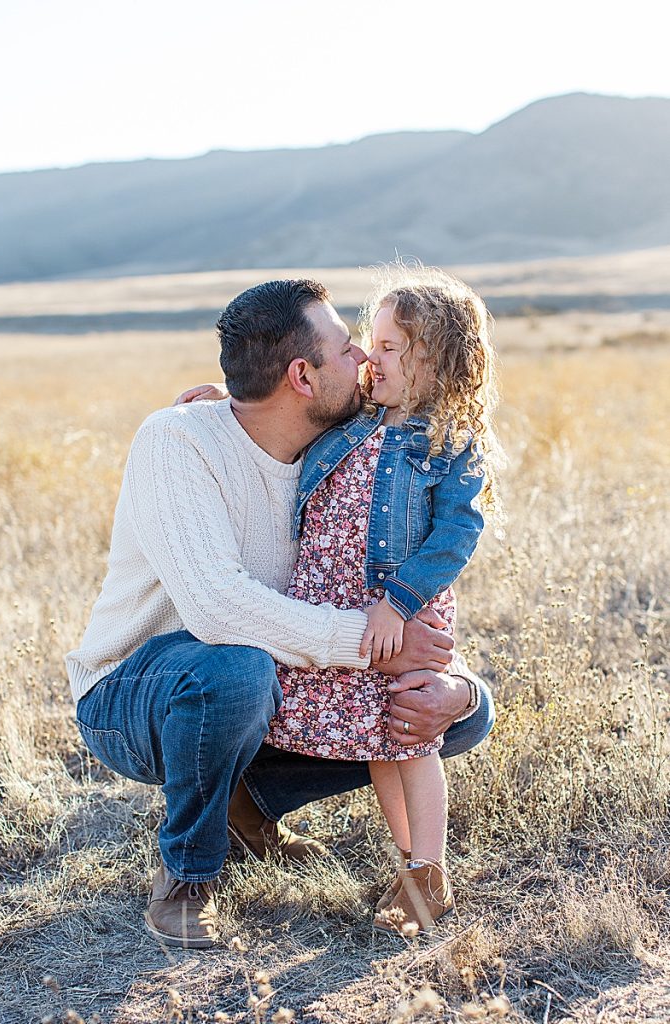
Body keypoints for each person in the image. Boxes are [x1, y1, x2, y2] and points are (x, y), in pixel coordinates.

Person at [66, 278, 495, 949]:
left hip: (264, 680)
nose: (362, 360)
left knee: (450, 712)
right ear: (301, 375)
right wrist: (370, 642)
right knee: (232, 673)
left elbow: (386, 583)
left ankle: (249, 808)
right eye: (350, 346)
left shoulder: (332, 449)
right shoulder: (177, 442)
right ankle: (187, 877)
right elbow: (216, 610)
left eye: (374, 346)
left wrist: (457, 688)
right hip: (137, 692)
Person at [259, 266, 501, 934]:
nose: (372, 356)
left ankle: (429, 871)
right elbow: (281, 400)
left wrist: (396, 603)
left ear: (437, 361)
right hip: (339, 611)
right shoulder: (354, 417)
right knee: (376, 740)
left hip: (397, 610)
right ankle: (405, 860)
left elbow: (458, 532)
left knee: (409, 732)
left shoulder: (446, 443)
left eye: (392, 346)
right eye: (373, 340)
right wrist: (217, 399)